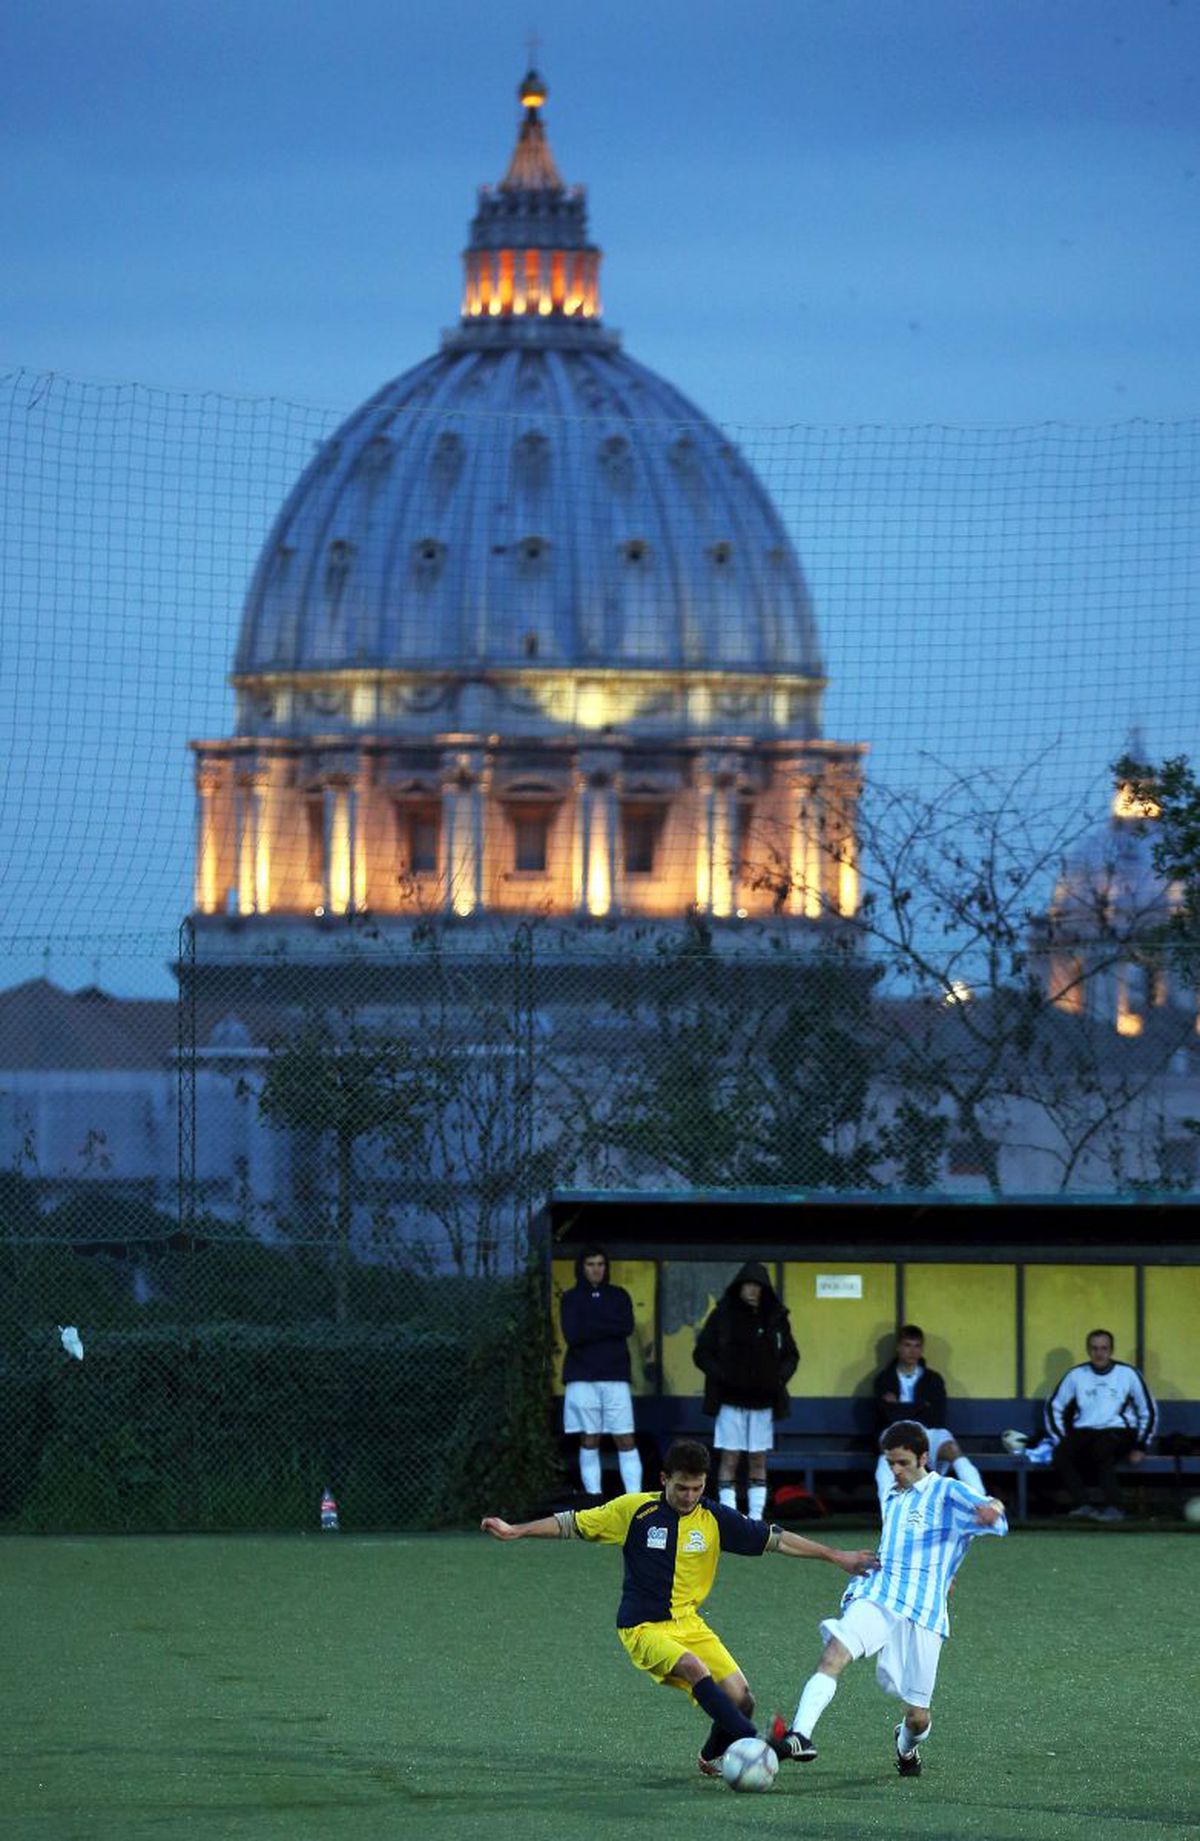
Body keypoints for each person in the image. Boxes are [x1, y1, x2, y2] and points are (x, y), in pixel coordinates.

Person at [481, 1437, 877, 1779]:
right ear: (664, 1480)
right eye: (682, 1488)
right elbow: (572, 1523)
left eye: (697, 1488)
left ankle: (709, 1756)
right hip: (643, 1628)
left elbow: (777, 1540)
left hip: (689, 1624)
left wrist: (834, 1555)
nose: (689, 1497)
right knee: (693, 1667)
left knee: (741, 1698)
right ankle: (756, 1743)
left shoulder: (714, 1517)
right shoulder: (634, 1511)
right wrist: (517, 1530)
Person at [772, 1420, 1007, 1778]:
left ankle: (906, 1747)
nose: (895, 1471)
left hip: (925, 1612)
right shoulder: (893, 1495)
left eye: (903, 1463)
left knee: (918, 1716)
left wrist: (994, 1509)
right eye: (890, 1463)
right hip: (880, 1593)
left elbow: (990, 1506)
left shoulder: (946, 1491)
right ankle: (800, 1735)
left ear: (923, 1457)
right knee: (835, 1651)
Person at [692, 1260, 799, 1520]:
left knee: (758, 1460)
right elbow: (701, 1353)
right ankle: (729, 1518)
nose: (752, 1290)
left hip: (763, 1401)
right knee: (729, 1458)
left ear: (764, 1289)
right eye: (748, 1285)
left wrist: (777, 1379)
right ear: (739, 1287)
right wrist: (723, 1377)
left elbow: (791, 1355)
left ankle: (755, 1519)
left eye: (758, 1286)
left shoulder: (775, 1317)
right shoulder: (723, 1315)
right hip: (729, 1400)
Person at [1045, 1328, 1157, 1522]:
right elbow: (1054, 1406)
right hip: (1085, 1431)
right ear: (1088, 1350)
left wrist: (1141, 1446)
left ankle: (1115, 1507)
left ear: (1111, 1350)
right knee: (1061, 1453)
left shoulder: (1128, 1374)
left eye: (1104, 1348)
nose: (1099, 1353)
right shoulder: (1076, 1375)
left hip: (1119, 1431)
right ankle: (1084, 1505)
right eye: (1095, 1348)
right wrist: (1062, 1438)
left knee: (1101, 1450)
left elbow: (1148, 1410)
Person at [870, 1324, 986, 1507]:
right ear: (899, 1347)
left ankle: (982, 1505)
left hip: (928, 1430)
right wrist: (920, 1406)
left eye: (916, 1346)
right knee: (886, 1455)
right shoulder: (883, 1379)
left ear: (922, 1349)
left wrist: (899, 1406)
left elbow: (936, 1415)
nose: (912, 1351)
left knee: (952, 1449)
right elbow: (885, 1414)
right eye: (907, 1345)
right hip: (895, 1430)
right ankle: (890, 1509)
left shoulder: (933, 1379)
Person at [560, 1246, 642, 1498]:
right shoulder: (571, 1298)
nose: (596, 1269)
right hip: (582, 1378)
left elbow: (626, 1326)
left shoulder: (619, 1295)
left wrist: (591, 1324)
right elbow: (573, 1334)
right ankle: (593, 1499)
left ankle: (634, 1500)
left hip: (615, 1376)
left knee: (625, 1438)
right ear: (581, 1268)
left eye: (600, 1264)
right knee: (589, 1438)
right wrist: (607, 1326)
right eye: (590, 1264)